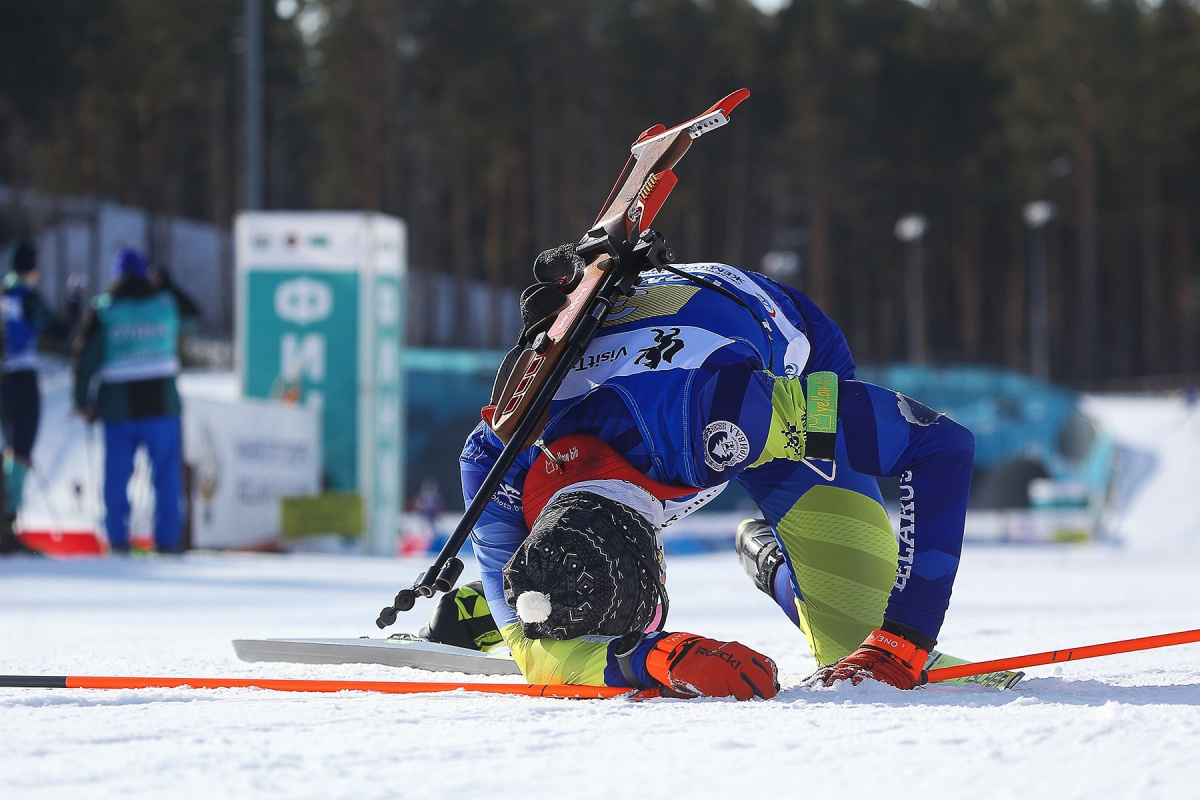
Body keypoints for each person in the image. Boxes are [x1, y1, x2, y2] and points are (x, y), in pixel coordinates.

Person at [430, 244, 975, 700]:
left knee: (856, 638)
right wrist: (660, 658)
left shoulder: (727, 417)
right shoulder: (494, 460)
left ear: (659, 569)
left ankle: (773, 561)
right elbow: (537, 660)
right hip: (659, 379)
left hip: (762, 352)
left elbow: (941, 446)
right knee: (549, 604)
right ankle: (508, 593)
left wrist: (903, 637)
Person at [73, 247, 184, 554]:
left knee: (117, 476)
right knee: (165, 476)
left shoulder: (104, 308)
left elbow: (85, 357)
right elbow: (194, 318)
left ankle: (117, 541)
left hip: (117, 407)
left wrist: (82, 400)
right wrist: (168, 284)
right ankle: (168, 542)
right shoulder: (164, 302)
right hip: (162, 404)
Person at [1, 238, 76, 555]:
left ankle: (7, 521)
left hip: (3, 380)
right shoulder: (27, 299)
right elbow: (60, 331)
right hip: (21, 379)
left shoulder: (3, 294)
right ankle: (8, 521)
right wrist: (74, 302)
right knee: (21, 451)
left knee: (9, 450)